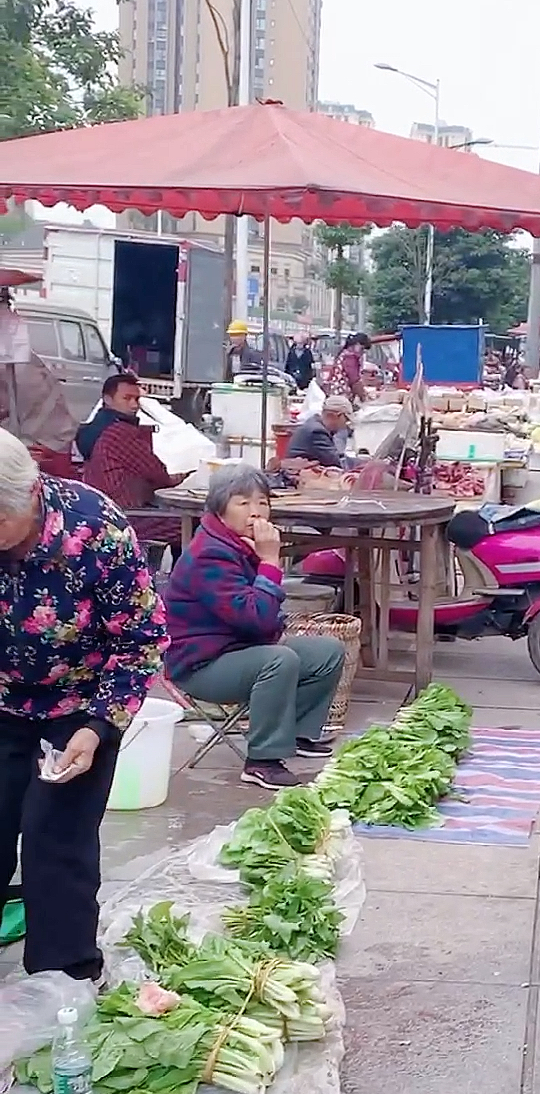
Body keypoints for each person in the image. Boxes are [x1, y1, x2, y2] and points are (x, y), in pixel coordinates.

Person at [0, 431, 166, 978]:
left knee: (57, 845)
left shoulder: (95, 528)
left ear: (30, 495)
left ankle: (61, 983)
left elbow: (141, 638)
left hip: (79, 707)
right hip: (3, 702)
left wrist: (97, 728)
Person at [164, 465, 345, 792]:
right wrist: (271, 561)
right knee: (278, 660)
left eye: (262, 502)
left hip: (239, 648)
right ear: (220, 508)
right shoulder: (210, 555)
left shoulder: (240, 543)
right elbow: (256, 617)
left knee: (327, 651)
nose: (255, 512)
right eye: (242, 503)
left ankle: (296, 734)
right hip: (201, 665)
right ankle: (262, 760)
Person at [78, 370, 185, 554]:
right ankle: (182, 579)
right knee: (188, 525)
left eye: (137, 399)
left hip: (102, 512)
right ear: (108, 399)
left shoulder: (94, 428)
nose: (134, 405)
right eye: (127, 398)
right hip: (126, 515)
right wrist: (182, 476)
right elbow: (158, 474)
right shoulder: (119, 432)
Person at [285, 396, 354, 470]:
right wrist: (364, 463)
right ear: (337, 416)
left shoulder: (314, 424)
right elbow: (337, 462)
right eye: (346, 420)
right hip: (298, 475)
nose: (345, 425)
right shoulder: (317, 432)